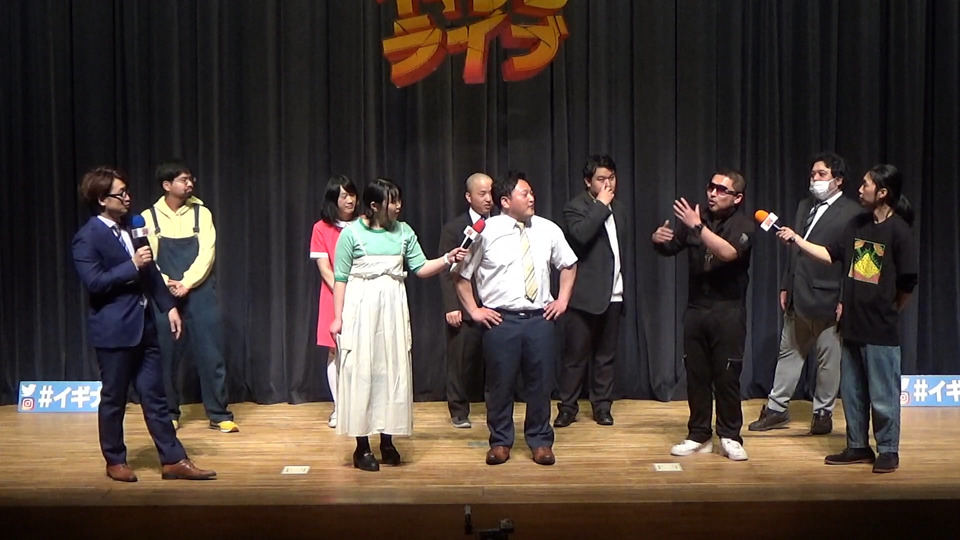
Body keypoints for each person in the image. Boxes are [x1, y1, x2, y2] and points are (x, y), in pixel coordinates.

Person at [72, 166, 216, 482]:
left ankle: (173, 459)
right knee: (114, 398)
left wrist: (169, 307)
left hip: (145, 325)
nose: (128, 198)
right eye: (120, 193)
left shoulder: (133, 228)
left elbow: (149, 273)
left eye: (127, 191)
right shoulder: (87, 237)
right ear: (101, 199)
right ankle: (115, 460)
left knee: (155, 396)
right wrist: (131, 265)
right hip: (114, 330)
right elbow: (95, 282)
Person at [774, 164, 918, 473]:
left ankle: (887, 449)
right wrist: (797, 240)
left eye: (866, 184)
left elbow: (907, 283)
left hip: (879, 327)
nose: (860, 189)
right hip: (851, 323)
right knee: (852, 392)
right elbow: (831, 255)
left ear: (883, 192)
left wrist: (890, 310)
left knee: (882, 394)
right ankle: (857, 445)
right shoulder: (857, 225)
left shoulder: (898, 231)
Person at [329, 178, 467, 472]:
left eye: (399, 200)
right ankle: (362, 446)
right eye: (392, 201)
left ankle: (387, 440)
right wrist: (337, 317)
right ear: (375, 205)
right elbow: (340, 278)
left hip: (392, 309)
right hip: (362, 308)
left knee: (391, 369)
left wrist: (447, 258)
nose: (398, 206)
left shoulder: (404, 232)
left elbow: (421, 268)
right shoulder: (352, 234)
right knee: (363, 371)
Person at [455, 171, 578, 466]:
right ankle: (500, 441)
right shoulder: (485, 230)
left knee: (541, 383)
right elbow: (461, 274)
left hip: (539, 319)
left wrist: (562, 300)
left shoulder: (547, 229)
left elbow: (569, 264)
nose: (532, 198)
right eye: (525, 194)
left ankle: (540, 441)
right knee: (500, 385)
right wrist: (474, 310)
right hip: (502, 321)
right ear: (506, 201)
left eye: (532, 192)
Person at [750, 152, 864, 435]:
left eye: (822, 174)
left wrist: (845, 298)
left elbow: (854, 262)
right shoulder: (805, 206)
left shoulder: (853, 213)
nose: (815, 179)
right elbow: (796, 250)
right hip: (798, 295)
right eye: (813, 174)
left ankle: (823, 413)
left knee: (828, 361)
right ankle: (776, 409)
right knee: (789, 353)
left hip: (829, 297)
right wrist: (786, 284)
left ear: (838, 180)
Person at [651, 169, 754, 461]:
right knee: (696, 374)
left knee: (727, 375)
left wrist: (697, 227)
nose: (713, 193)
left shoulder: (743, 224)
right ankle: (699, 434)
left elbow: (728, 253)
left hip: (728, 310)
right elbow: (672, 247)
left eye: (722, 190)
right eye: (711, 187)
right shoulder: (698, 219)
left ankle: (730, 435)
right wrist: (658, 239)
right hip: (697, 308)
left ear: (737, 198)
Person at [142, 161, 237, 433]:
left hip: (199, 289)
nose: (190, 184)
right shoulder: (149, 216)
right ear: (167, 185)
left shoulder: (201, 213)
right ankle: (169, 412)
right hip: (164, 292)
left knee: (211, 352)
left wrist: (186, 282)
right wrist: (166, 283)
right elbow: (148, 257)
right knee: (165, 353)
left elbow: (208, 252)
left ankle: (219, 413)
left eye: (190, 179)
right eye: (183, 180)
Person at [555, 155, 625, 428]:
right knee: (575, 357)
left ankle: (602, 406)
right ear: (588, 182)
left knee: (606, 357)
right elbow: (581, 236)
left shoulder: (620, 208)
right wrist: (600, 206)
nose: (608, 184)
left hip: (614, 293)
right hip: (584, 295)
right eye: (601, 179)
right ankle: (567, 407)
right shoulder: (575, 207)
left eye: (612, 178)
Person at [438, 172, 494, 429]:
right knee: (460, 360)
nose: (488, 199)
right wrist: (452, 306)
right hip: (463, 303)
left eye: (491, 193)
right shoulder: (454, 228)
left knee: (496, 360)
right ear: (468, 197)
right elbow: (446, 270)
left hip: (493, 302)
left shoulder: (500, 226)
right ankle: (459, 410)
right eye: (482, 194)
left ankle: (496, 408)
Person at [310, 175, 358, 428]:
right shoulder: (321, 228)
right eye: (344, 196)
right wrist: (343, 291)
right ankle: (339, 407)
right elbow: (325, 268)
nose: (350, 200)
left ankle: (359, 406)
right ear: (333, 200)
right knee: (335, 350)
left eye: (352, 194)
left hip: (363, 293)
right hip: (333, 296)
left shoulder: (364, 224)